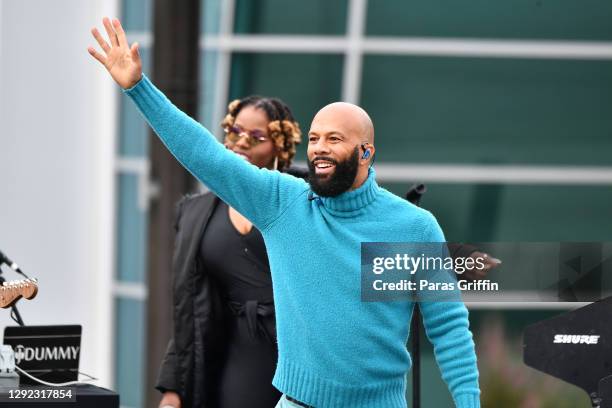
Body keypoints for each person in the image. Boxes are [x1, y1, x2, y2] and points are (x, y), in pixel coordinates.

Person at [89, 17, 481, 407]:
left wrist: (468, 403)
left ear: (365, 152)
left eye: (335, 139)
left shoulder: (413, 226)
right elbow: (206, 156)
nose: (320, 148)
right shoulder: (285, 203)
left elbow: (447, 328)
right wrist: (139, 89)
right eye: (313, 138)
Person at [156, 96, 303, 408]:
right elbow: (190, 308)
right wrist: (173, 389)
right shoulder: (194, 213)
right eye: (235, 132)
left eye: (257, 137)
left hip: (297, 350)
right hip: (232, 355)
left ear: (280, 146)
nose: (242, 143)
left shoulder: (305, 203)